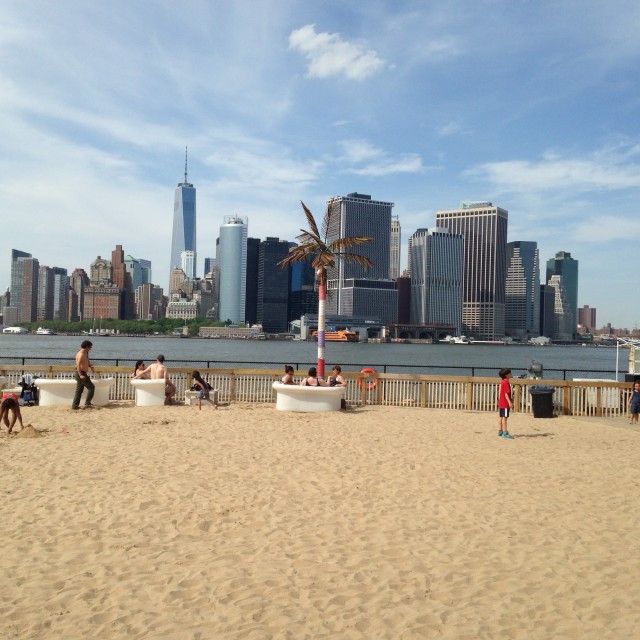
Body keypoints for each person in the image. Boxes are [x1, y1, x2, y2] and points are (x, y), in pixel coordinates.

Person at [72, 339, 96, 410]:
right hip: (81, 373)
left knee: (79, 390)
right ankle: (87, 402)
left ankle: (75, 406)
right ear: (86, 347)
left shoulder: (85, 353)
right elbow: (78, 365)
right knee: (91, 387)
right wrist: (80, 375)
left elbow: (86, 361)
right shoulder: (81, 354)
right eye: (90, 347)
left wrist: (90, 366)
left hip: (83, 372)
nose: (90, 349)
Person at [498, 367, 514, 438]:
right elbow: (506, 393)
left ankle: (500, 431)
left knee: (501, 417)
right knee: (505, 417)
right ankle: (505, 432)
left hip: (501, 402)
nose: (511, 374)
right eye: (510, 373)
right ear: (506, 375)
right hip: (505, 403)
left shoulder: (503, 382)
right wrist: (510, 402)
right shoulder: (506, 382)